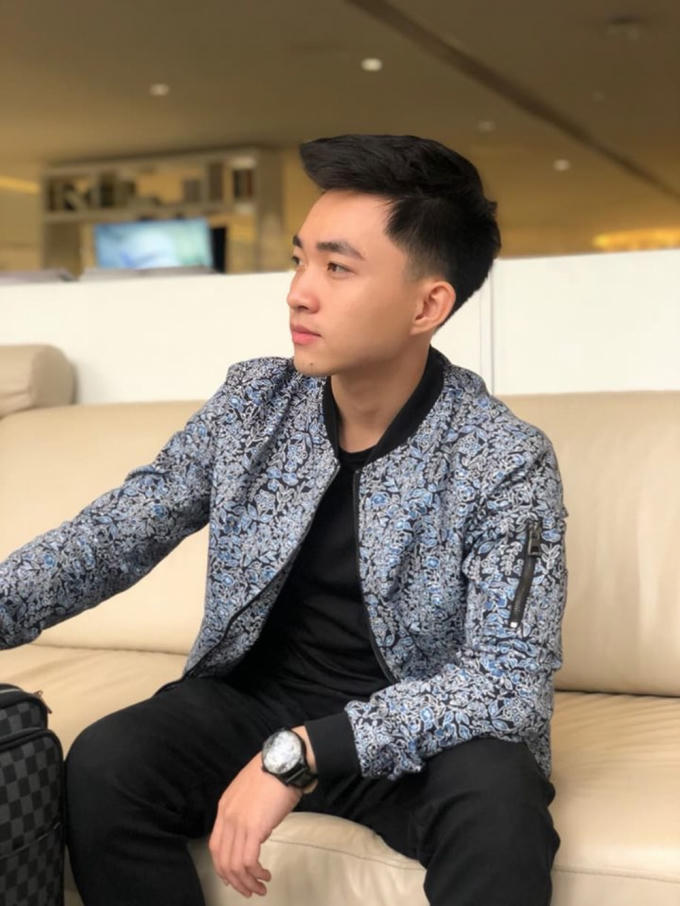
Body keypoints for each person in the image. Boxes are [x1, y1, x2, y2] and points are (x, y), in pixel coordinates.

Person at [0, 134, 567, 906]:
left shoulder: (503, 458)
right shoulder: (253, 405)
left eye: (337, 268)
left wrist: (304, 753)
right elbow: (114, 535)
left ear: (427, 305)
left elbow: (508, 681)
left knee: (499, 808)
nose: (299, 292)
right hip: (254, 703)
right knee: (109, 762)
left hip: (416, 731)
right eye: (300, 260)